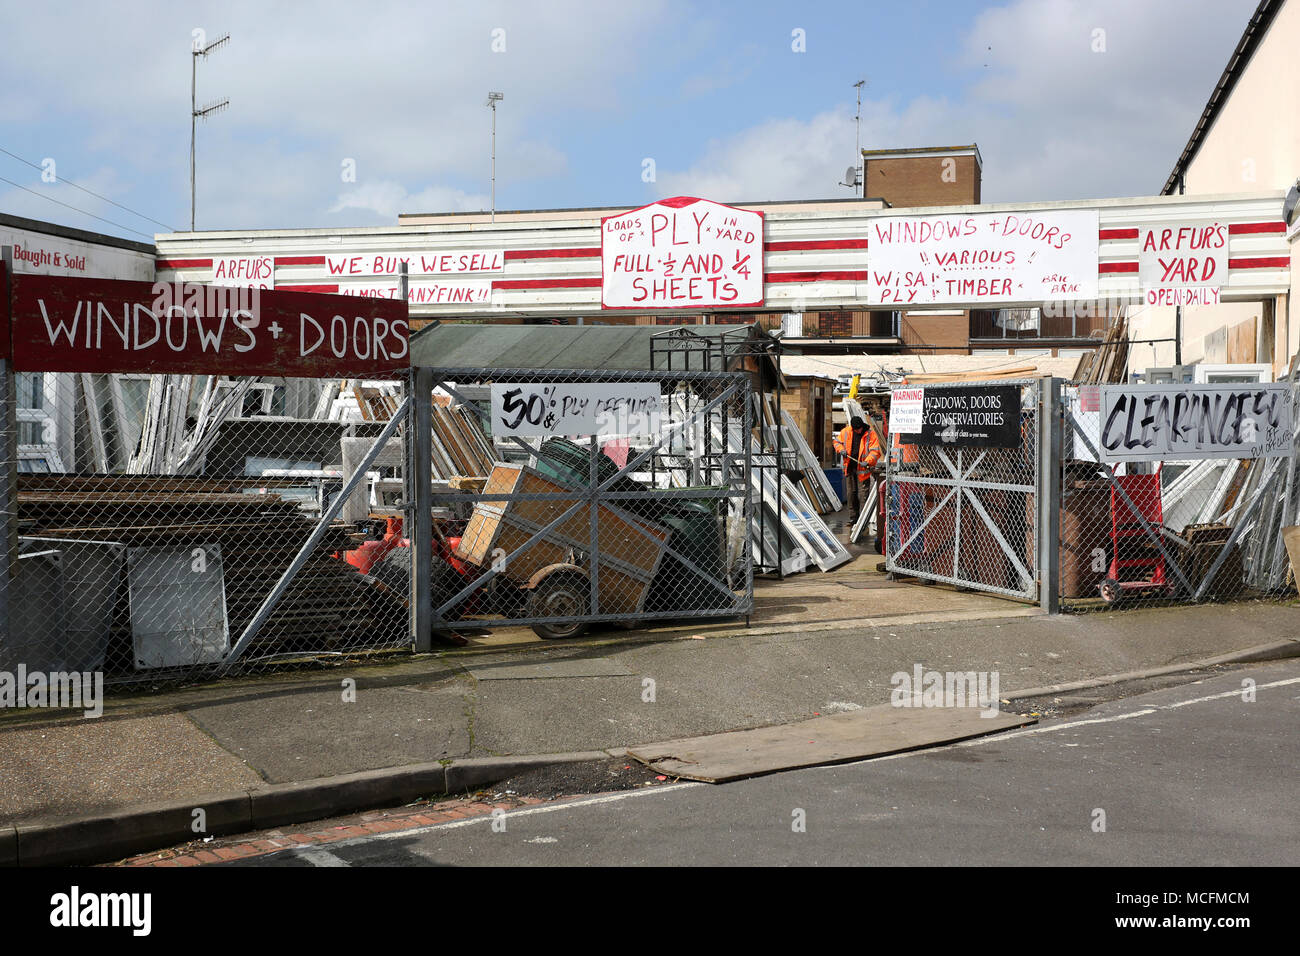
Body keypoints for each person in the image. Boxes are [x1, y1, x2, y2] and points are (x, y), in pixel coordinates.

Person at [834, 415, 881, 524]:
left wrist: (868, 461)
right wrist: (841, 450)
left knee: (863, 496)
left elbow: (875, 451)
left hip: (862, 471)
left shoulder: (870, 434)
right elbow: (837, 442)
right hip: (850, 469)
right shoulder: (846, 432)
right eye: (856, 429)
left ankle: (863, 520)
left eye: (860, 428)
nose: (859, 431)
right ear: (853, 428)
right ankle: (853, 519)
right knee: (851, 494)